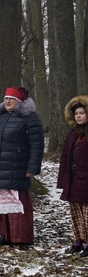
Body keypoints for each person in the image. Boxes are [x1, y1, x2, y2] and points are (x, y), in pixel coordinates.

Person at [0, 86, 44, 247]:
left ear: (19, 101)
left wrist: (32, 168)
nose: (7, 101)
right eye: (6, 98)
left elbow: (37, 145)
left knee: (17, 205)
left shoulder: (30, 118)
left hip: (17, 167)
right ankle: (4, 236)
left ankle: (20, 238)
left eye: (11, 98)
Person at [57, 95, 88, 256]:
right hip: (73, 180)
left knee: (87, 214)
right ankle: (78, 241)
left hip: (86, 181)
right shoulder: (72, 134)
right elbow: (65, 157)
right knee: (76, 214)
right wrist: (62, 179)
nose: (79, 116)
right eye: (76, 113)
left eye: (82, 113)